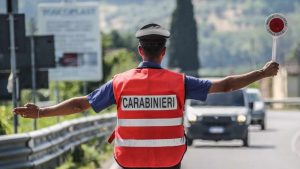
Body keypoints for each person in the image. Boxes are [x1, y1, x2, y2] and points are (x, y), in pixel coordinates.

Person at [14, 23, 279, 169]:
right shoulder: (180, 82)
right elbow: (226, 85)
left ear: (140, 51)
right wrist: (262, 73)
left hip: (128, 161)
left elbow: (81, 103)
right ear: (163, 52)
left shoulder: (120, 83)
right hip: (169, 161)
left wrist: (41, 112)